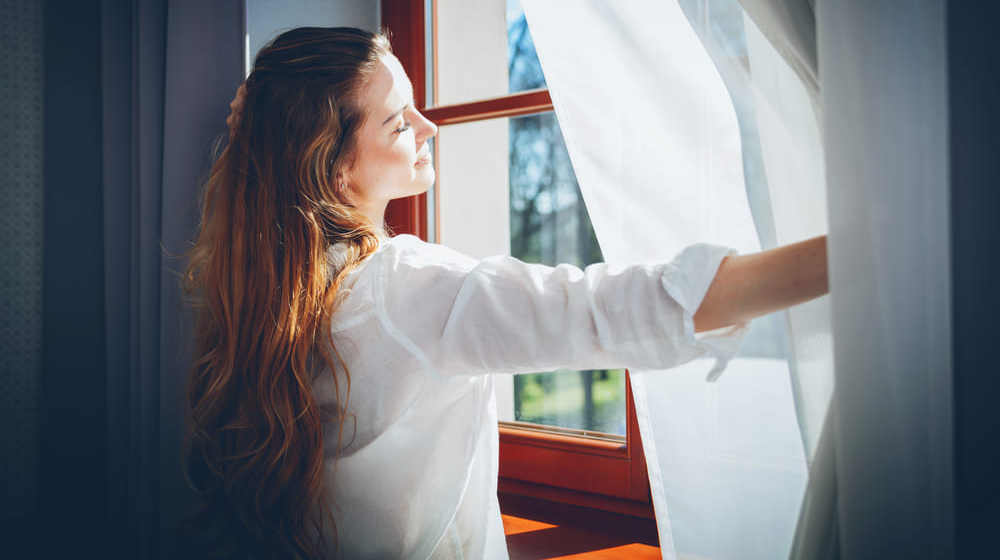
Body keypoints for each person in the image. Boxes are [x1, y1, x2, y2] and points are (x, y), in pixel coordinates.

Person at [182, 27, 827, 559]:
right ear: (333, 166)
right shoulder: (405, 291)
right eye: (398, 123)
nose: (428, 126)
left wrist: (259, 122)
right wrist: (841, 260)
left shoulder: (259, 285)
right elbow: (603, 310)